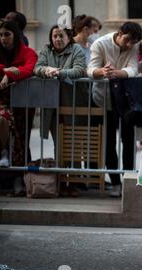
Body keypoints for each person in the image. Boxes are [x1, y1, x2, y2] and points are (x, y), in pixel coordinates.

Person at [87, 22, 142, 197]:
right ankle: (115, 183)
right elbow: (90, 70)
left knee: (128, 141)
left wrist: (117, 73)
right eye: (127, 40)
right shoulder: (100, 44)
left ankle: (128, 180)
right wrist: (102, 72)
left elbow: (133, 68)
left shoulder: (134, 46)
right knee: (109, 142)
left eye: (133, 42)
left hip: (126, 101)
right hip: (103, 100)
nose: (129, 45)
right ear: (119, 33)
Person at [34, 25, 87, 197]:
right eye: (54, 36)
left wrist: (60, 73)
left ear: (68, 37)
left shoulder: (76, 49)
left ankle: (75, 183)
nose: (57, 39)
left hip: (72, 103)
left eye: (61, 36)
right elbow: (37, 67)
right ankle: (62, 182)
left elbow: (80, 70)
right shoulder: (46, 50)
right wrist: (45, 70)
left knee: (74, 144)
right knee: (59, 145)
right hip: (52, 105)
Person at [0, 21, 38, 196]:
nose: (3, 38)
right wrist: (5, 70)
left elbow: (29, 69)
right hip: (0, 100)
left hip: (23, 102)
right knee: (2, 121)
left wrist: (10, 73)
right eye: (1, 35)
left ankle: (19, 181)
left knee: (21, 140)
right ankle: (4, 154)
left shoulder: (28, 52)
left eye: (7, 34)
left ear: (15, 35)